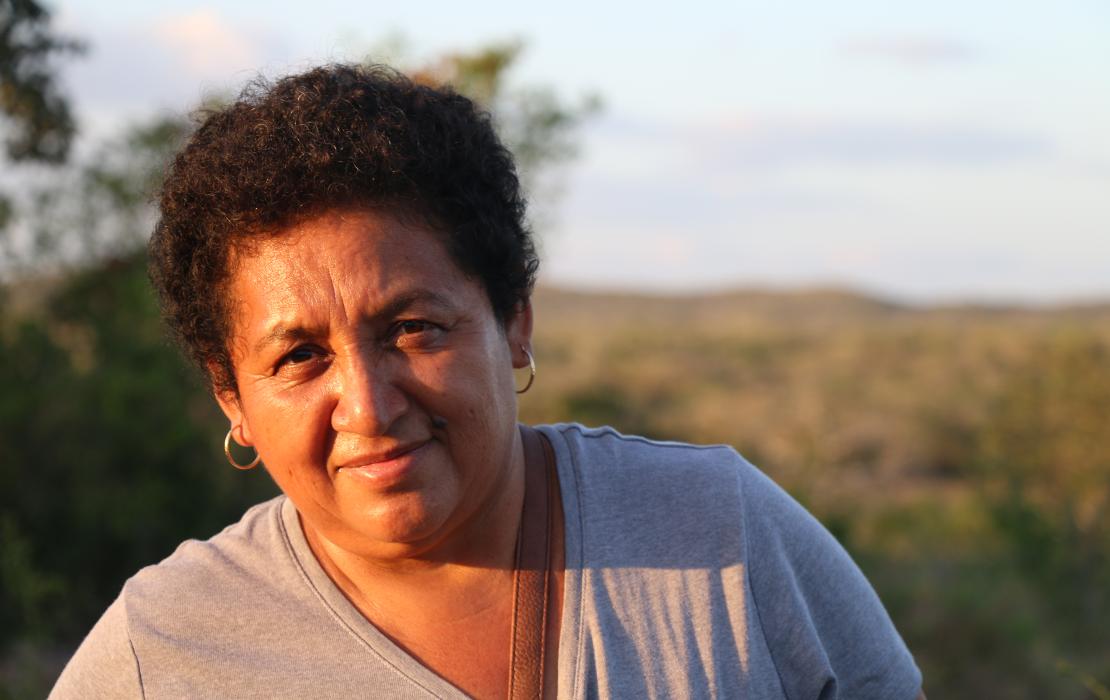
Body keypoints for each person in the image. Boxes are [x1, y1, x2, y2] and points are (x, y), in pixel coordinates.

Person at [50, 64, 924, 699]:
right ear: (231, 397)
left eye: (413, 329)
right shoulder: (161, 652)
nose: (370, 405)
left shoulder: (721, 537)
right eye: (298, 356)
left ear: (514, 321)